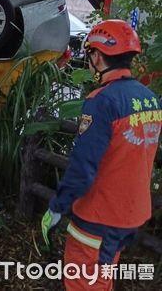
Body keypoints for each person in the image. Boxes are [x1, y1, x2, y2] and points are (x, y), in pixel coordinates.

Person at [41, 19, 161, 290]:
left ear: (97, 55)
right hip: (132, 214)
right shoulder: (149, 98)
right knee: (103, 274)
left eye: (90, 54)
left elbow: (83, 168)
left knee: (83, 282)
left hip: (99, 215)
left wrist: (57, 206)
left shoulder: (102, 101)